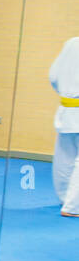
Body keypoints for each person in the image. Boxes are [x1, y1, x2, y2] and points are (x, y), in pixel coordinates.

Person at [49, 37, 79, 217]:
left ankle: (64, 198)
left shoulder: (72, 43)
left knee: (64, 157)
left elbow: (53, 76)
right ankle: (73, 206)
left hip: (67, 108)